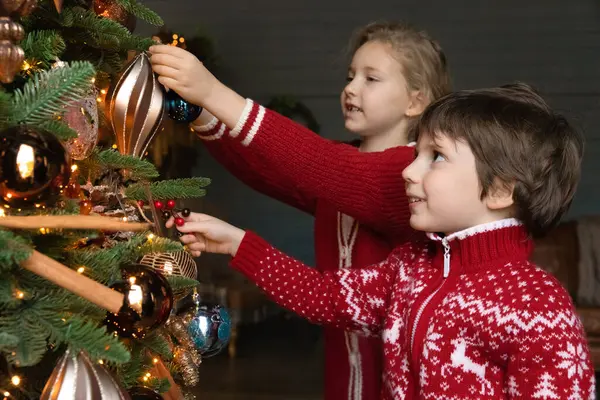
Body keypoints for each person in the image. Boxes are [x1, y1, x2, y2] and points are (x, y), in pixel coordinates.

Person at [166, 83, 595, 399]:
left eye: (436, 157)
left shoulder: (536, 308)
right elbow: (325, 297)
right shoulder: (412, 265)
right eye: (415, 156)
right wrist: (240, 243)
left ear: (501, 189)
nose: (409, 172)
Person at [150, 21, 450, 400]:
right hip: (342, 382)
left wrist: (213, 92)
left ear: (415, 101)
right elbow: (266, 170)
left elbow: (327, 165)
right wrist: (202, 114)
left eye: (371, 79)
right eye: (350, 76)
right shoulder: (338, 176)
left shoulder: (408, 176)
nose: (351, 88)